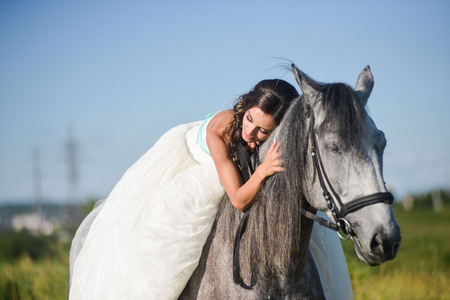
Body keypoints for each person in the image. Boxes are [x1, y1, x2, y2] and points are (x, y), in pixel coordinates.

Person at [69, 79, 352, 299]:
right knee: (168, 238)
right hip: (202, 159)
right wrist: (264, 170)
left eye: (263, 131)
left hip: (239, 161)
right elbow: (240, 199)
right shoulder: (227, 130)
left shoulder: (268, 136)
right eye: (250, 119)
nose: (250, 133)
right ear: (246, 106)